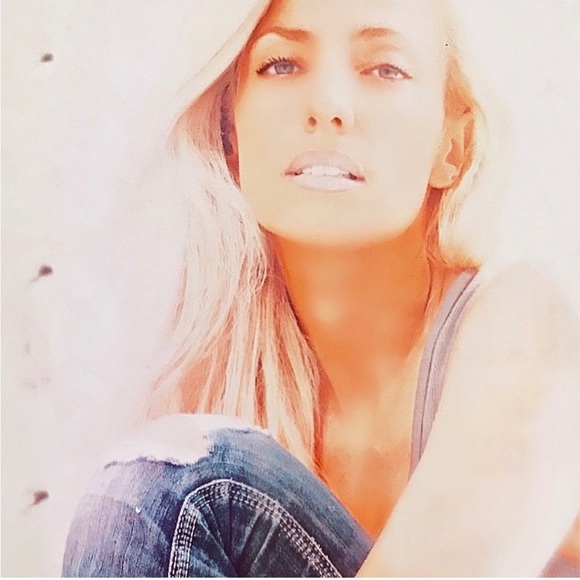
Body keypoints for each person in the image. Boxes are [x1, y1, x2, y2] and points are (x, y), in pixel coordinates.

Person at [61, 0, 579, 576]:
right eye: (282, 65)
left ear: (451, 147)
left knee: (166, 483)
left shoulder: (521, 330)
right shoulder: (213, 383)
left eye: (384, 69)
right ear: (229, 134)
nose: (329, 105)